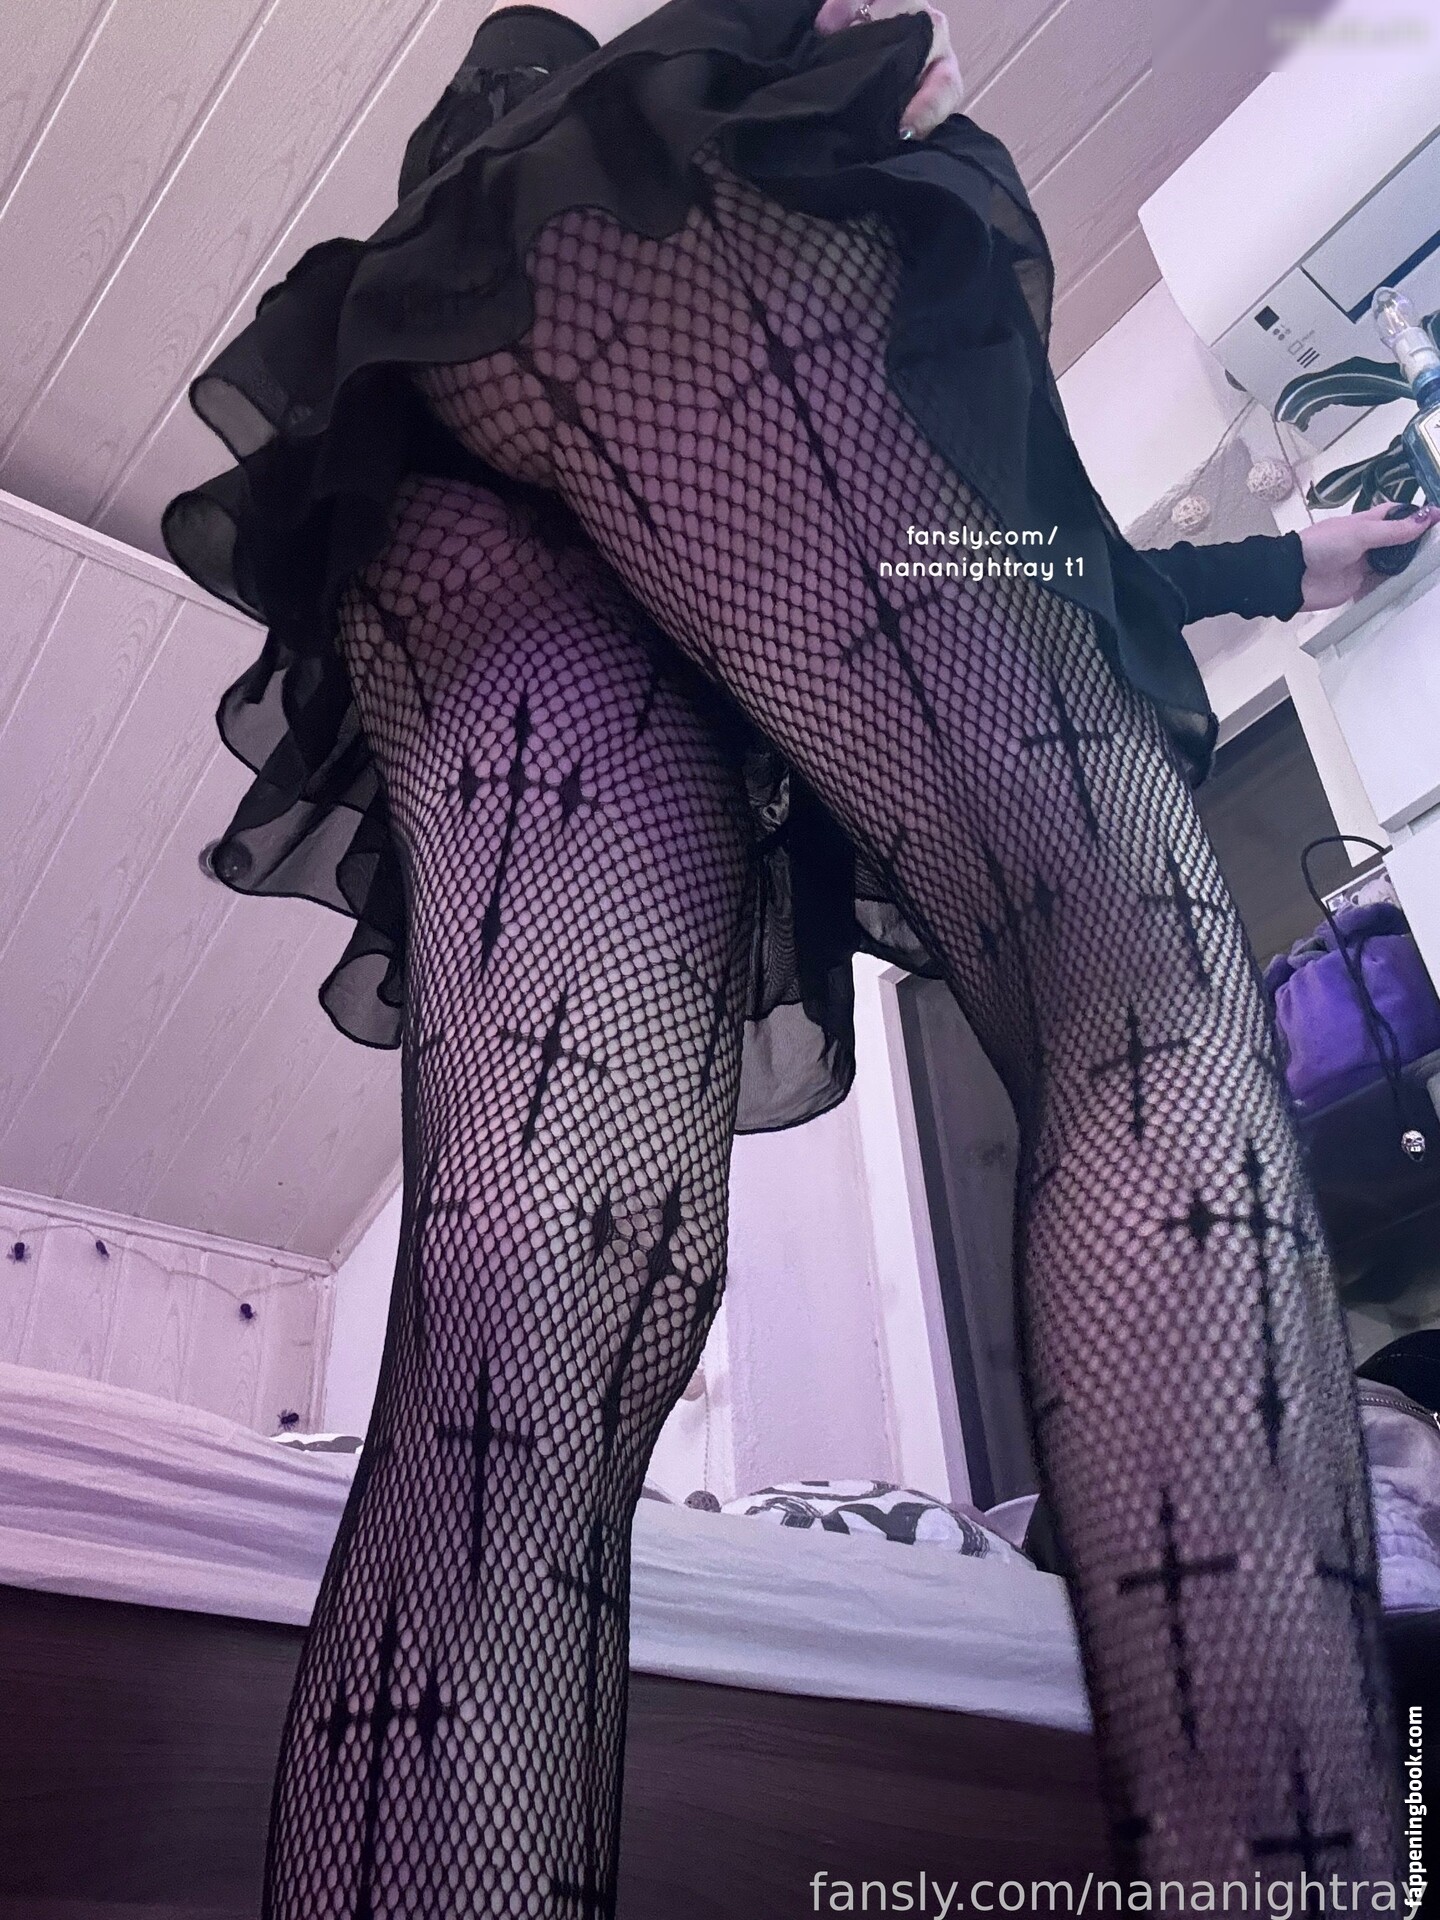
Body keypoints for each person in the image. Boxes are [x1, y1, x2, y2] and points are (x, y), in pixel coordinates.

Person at [161, 0, 1437, 1909]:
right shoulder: (826, 217)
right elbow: (1019, 562)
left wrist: (1280, 568)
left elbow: (1006, 567)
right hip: (695, 261)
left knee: (530, 1288)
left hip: (441, 399)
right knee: (1136, 996)